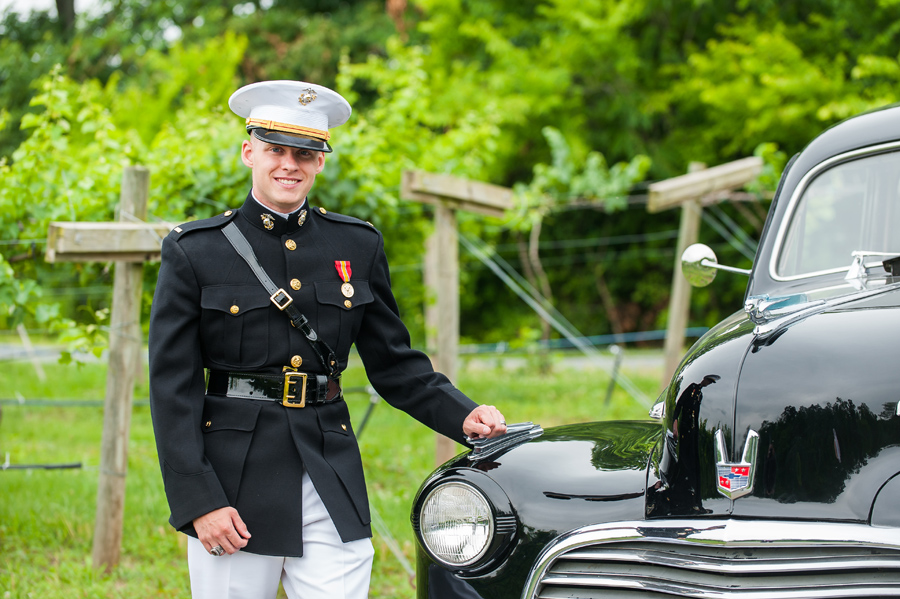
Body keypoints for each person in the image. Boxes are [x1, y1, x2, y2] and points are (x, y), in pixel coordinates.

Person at [147, 80, 508, 599]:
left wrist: (463, 414)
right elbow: (172, 388)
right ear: (249, 151)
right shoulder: (194, 251)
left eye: (305, 153)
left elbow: (395, 363)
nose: (288, 165)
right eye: (275, 150)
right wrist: (198, 498)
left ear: (320, 162)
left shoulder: (356, 244)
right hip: (234, 482)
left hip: (328, 465)